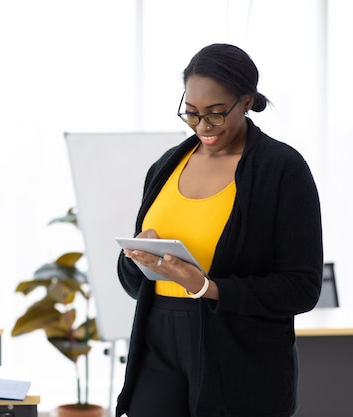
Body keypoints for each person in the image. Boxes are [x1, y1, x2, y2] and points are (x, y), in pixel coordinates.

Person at [116, 44, 323, 417]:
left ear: (246, 101)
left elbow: (302, 289)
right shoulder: (166, 165)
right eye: (192, 114)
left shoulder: (282, 169)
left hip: (239, 353)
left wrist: (207, 288)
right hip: (158, 341)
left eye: (215, 114)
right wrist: (137, 259)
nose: (202, 127)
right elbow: (136, 284)